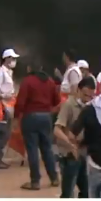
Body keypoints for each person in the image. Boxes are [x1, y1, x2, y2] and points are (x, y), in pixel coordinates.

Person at [15, 57, 61, 191]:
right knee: (47, 148)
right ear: (41, 68)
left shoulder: (27, 81)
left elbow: (20, 103)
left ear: (29, 68)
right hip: (46, 117)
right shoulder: (50, 82)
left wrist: (17, 118)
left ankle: (35, 181)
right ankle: (54, 178)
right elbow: (56, 101)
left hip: (31, 117)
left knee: (32, 149)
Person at [54, 76, 96, 198]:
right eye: (85, 95)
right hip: (69, 154)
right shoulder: (68, 105)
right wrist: (70, 145)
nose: (87, 98)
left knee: (86, 190)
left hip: (84, 153)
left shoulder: (90, 107)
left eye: (90, 96)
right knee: (68, 192)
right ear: (78, 90)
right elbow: (57, 129)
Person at [0, 49, 18, 169]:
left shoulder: (9, 72)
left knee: (6, 133)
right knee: (2, 133)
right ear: (6, 59)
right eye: (12, 58)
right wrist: (2, 100)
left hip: (9, 105)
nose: (14, 61)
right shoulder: (1, 72)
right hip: (3, 106)